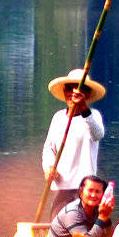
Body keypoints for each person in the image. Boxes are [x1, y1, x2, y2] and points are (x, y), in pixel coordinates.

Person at [40, 69, 106, 214]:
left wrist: (83, 108)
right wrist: (49, 168)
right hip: (61, 186)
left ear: (87, 94)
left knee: (82, 231)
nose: (74, 93)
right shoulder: (58, 117)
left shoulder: (92, 116)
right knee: (58, 228)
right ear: (64, 92)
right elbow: (49, 148)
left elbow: (98, 134)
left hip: (85, 189)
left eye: (80, 89)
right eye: (69, 88)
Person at [43, 174, 115, 237]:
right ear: (81, 192)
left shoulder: (98, 210)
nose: (93, 195)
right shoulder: (72, 212)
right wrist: (102, 218)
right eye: (90, 190)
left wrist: (106, 217)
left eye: (97, 192)